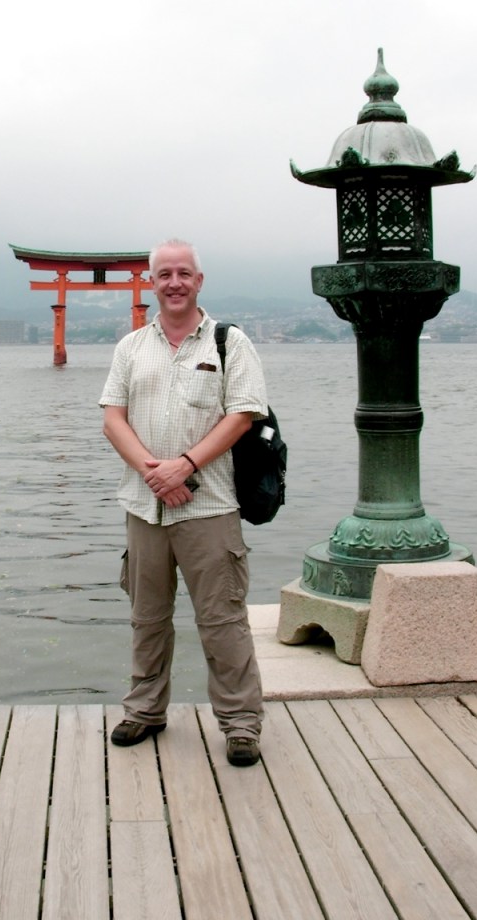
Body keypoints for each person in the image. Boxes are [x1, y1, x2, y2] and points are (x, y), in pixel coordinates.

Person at [99, 238, 268, 766]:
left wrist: (186, 465)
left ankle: (241, 723)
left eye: (183, 273)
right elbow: (113, 419)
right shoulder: (131, 347)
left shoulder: (229, 342)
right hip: (144, 506)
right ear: (152, 283)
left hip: (210, 506)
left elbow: (243, 415)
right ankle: (145, 710)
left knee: (222, 620)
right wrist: (156, 473)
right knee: (147, 617)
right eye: (164, 274)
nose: (174, 282)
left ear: (199, 281)